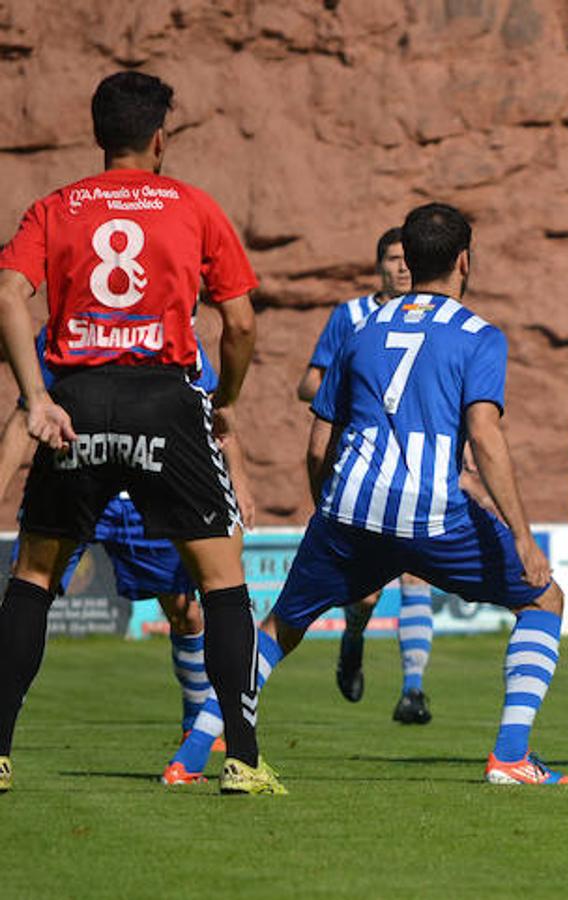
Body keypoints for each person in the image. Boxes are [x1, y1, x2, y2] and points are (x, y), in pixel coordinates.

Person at [0, 71, 274, 794]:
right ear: (160, 138)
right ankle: (243, 761)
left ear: (98, 136)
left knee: (33, 580)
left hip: (77, 401)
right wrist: (229, 401)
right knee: (221, 584)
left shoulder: (55, 208)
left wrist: (35, 397)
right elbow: (240, 322)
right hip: (166, 400)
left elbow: (6, 294)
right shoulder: (192, 205)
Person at [256, 203, 568, 785]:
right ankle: (509, 756)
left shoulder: (359, 330)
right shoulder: (480, 337)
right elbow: (483, 433)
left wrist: (327, 506)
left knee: (280, 627)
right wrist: (523, 536)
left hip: (351, 507)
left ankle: (191, 755)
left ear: (408, 259)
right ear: (463, 262)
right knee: (543, 598)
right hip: (433, 513)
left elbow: (316, 441)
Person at [0, 331, 244, 785]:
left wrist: (240, 484)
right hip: (83, 472)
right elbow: (23, 412)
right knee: (31, 590)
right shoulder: (62, 331)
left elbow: (214, 416)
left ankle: (198, 728)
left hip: (142, 492)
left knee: (185, 613)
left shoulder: (178, 336)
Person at [297, 227, 438, 725]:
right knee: (366, 592)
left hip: (417, 465)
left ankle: (414, 690)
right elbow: (310, 383)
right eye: (391, 259)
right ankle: (353, 637)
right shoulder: (352, 318)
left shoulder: (433, 319)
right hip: (362, 463)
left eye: (407, 259)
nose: (401, 268)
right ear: (377, 265)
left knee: (417, 570)